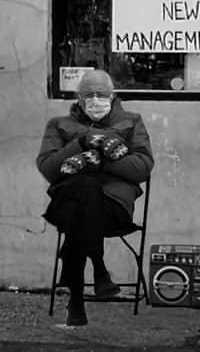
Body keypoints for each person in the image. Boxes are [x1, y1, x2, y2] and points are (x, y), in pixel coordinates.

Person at [36, 69, 154, 327]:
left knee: (82, 198)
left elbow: (142, 168)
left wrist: (98, 161)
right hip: (66, 202)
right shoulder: (58, 125)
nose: (96, 100)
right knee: (84, 192)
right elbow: (48, 168)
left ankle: (76, 298)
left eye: (102, 94)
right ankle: (99, 270)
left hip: (112, 209)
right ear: (79, 99)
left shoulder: (132, 122)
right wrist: (82, 143)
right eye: (89, 95)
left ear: (113, 96)